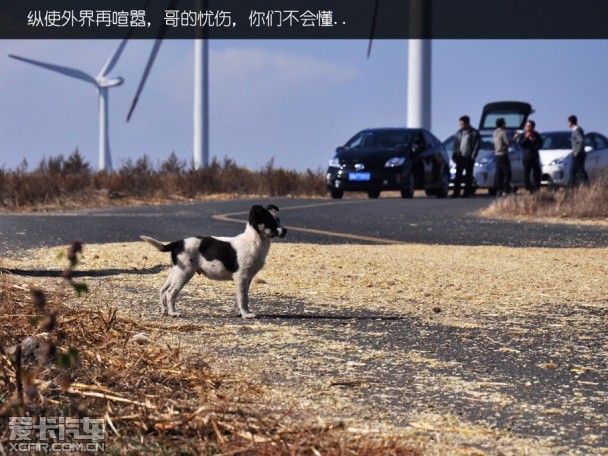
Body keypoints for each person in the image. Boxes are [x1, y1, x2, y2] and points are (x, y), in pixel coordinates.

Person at [451, 115, 481, 197]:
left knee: (468, 175)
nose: (461, 125)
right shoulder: (458, 133)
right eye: (460, 124)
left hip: (469, 156)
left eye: (462, 124)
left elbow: (476, 145)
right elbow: (455, 144)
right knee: (458, 175)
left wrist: (473, 154)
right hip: (459, 156)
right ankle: (456, 192)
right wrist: (454, 154)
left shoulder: (474, 132)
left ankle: (467, 193)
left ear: (467, 123)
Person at [515, 120, 543, 193]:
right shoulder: (523, 134)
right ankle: (528, 187)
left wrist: (535, 146)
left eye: (530, 126)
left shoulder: (536, 134)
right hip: (526, 157)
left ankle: (536, 187)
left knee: (537, 172)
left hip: (534, 156)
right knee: (527, 173)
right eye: (527, 126)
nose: (528, 127)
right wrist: (526, 138)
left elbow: (540, 143)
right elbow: (520, 144)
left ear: (533, 127)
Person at [493, 117, 513, 196]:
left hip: (496, 154)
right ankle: (505, 189)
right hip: (503, 154)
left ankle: (499, 189)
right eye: (504, 123)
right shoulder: (503, 132)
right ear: (502, 124)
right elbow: (507, 142)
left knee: (499, 172)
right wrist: (514, 138)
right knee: (507, 172)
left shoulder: (495, 132)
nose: (505, 124)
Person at [567, 115, 589, 186]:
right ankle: (572, 186)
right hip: (576, 153)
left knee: (580, 170)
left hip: (578, 154)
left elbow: (581, 140)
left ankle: (586, 184)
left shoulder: (577, 130)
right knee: (573, 171)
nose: (568, 124)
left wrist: (578, 151)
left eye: (568, 122)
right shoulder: (576, 130)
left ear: (571, 122)